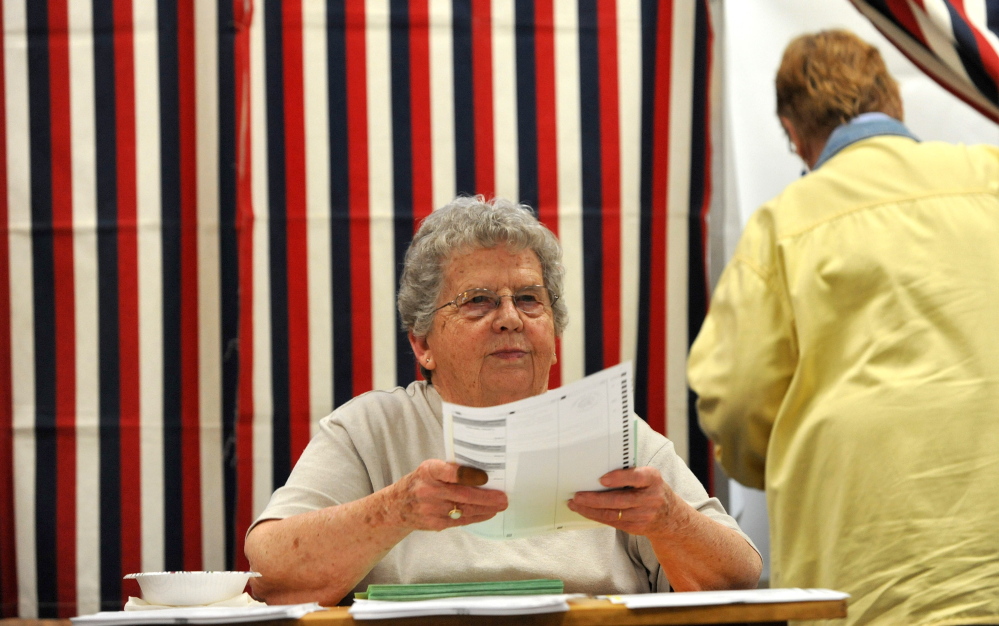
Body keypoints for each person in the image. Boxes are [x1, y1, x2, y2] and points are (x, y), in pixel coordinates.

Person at [245, 195, 762, 606]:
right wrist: (396, 509)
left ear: (554, 334)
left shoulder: (611, 431)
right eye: (479, 301)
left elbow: (739, 578)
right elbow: (270, 574)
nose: (511, 318)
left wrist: (667, 519)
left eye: (529, 299)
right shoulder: (370, 430)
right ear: (421, 343)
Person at [688, 29, 999, 625]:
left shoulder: (785, 224)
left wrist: (762, 462)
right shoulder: (987, 175)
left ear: (794, 134)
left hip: (867, 566)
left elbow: (737, 396)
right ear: (895, 102)